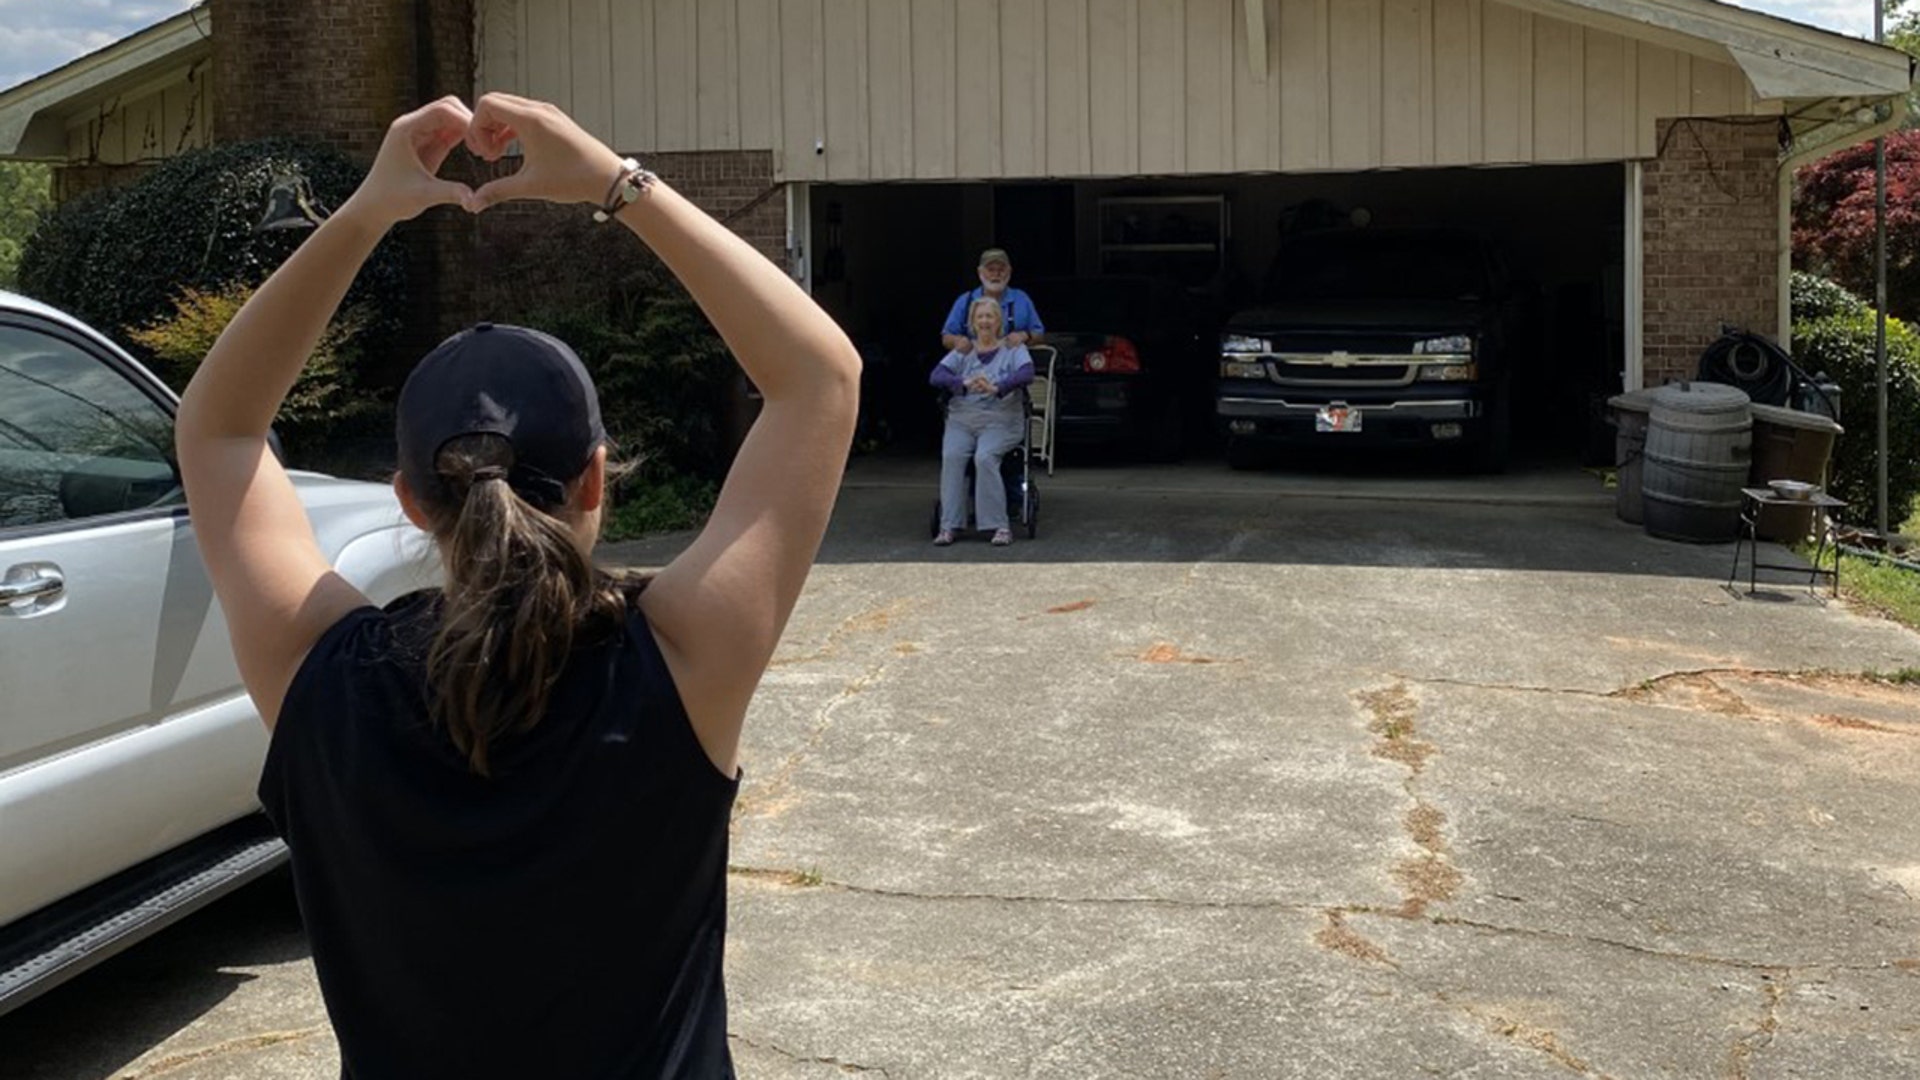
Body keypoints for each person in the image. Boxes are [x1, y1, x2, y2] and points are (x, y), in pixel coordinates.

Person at [173, 93, 859, 1079]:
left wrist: (368, 210)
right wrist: (615, 183)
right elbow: (822, 379)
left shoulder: (321, 677)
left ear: (410, 500)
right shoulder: (678, 663)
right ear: (594, 478)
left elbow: (218, 430)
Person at [931, 295, 1034, 547]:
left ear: (998, 321)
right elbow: (936, 375)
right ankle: (948, 525)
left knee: (984, 457)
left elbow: (1027, 373)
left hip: (1001, 420)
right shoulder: (965, 349)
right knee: (952, 456)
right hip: (963, 419)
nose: (985, 321)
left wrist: (997, 387)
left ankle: (998, 525)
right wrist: (962, 383)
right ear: (972, 322)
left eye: (989, 316)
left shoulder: (1012, 348)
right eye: (980, 317)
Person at [939, 247, 1044, 355]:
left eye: (1001, 270)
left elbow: (1040, 335)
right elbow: (946, 338)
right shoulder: (965, 301)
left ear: (1009, 271)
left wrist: (1025, 336)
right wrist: (959, 341)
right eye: (991, 270)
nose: (996, 274)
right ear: (979, 271)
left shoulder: (1021, 298)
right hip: (973, 365)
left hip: (1012, 365)